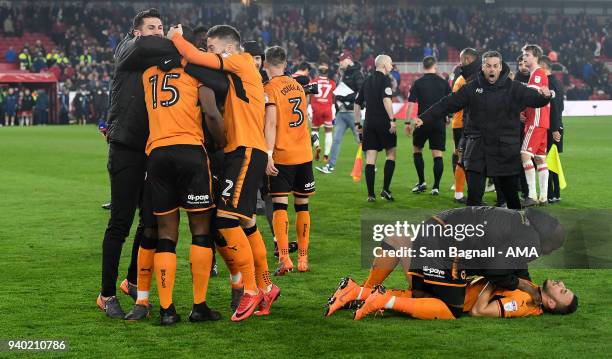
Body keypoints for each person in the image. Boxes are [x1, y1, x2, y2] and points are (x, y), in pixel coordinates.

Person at [169, 24, 280, 322]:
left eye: (213, 47)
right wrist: (186, 63)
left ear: (228, 48)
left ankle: (251, 289)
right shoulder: (241, 72)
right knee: (246, 222)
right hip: (245, 150)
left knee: (225, 219)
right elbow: (205, 71)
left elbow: (197, 58)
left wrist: (175, 38)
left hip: (244, 150)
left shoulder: (240, 61)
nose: (210, 51)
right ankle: (267, 285)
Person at [326, 206, 577, 320]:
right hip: (447, 248)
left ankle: (360, 292)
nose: (561, 283)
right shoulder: (530, 244)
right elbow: (496, 271)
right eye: (551, 248)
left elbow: (511, 262)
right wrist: (524, 286)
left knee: (401, 247)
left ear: (553, 302)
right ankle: (379, 298)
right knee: (450, 309)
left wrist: (523, 282)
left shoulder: (520, 221)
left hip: (436, 226)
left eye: (563, 290)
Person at [138, 28, 223, 326]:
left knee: (166, 235)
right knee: (200, 229)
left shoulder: (147, 74)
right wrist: (223, 144)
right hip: (190, 151)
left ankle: (166, 310)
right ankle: (199, 306)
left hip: (158, 154)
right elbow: (212, 114)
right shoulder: (194, 71)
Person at [98, 8, 169, 319]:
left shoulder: (155, 58)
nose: (157, 31)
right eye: (151, 27)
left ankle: (130, 280)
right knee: (120, 223)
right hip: (126, 147)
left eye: (161, 27)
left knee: (149, 221)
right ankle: (106, 294)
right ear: (138, 31)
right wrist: (177, 41)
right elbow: (142, 46)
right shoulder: (128, 48)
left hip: (151, 148)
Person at [415, 51, 552, 209]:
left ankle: (515, 229)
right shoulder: (472, 87)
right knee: (474, 200)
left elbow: (534, 99)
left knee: (511, 201)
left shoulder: (513, 88)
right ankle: (474, 230)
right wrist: (424, 117)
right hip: (477, 150)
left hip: (504, 152)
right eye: (488, 66)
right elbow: (448, 103)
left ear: (500, 67)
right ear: (483, 67)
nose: (492, 69)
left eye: (495, 66)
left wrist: (544, 96)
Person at [263, 46, 316, 275]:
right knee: (302, 205)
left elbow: (272, 123)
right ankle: (303, 258)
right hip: (303, 153)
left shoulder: (270, 88)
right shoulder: (298, 85)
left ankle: (285, 258)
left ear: (266, 65)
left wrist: (267, 153)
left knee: (279, 205)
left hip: (283, 155)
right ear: (285, 64)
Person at [406, 56, 451, 195]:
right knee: (437, 154)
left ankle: (422, 182)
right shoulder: (443, 82)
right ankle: (436, 187)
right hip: (438, 122)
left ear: (423, 66)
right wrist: (448, 116)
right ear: (435, 66)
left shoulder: (418, 83)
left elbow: (411, 104)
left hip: (422, 121)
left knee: (417, 150)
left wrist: (407, 122)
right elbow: (450, 101)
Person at [355, 55, 397, 202]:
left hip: (369, 123)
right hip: (383, 122)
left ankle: (370, 195)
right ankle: (385, 190)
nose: (392, 66)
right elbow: (386, 100)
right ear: (384, 65)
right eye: (391, 64)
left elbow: (357, 103)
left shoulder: (366, 80)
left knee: (370, 159)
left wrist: (357, 124)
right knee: (391, 154)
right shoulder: (386, 80)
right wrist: (392, 120)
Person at [316, 52, 363, 174]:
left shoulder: (357, 73)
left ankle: (370, 164)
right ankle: (330, 166)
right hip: (341, 113)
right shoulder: (342, 73)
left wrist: (346, 98)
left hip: (353, 112)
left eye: (342, 60)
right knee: (336, 139)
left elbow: (361, 92)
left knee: (361, 141)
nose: (339, 62)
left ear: (348, 59)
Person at [521, 44, 551, 206]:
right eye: (524, 55)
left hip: (536, 121)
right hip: (541, 122)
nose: (524, 58)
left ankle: (532, 196)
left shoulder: (538, 74)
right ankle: (544, 197)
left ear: (536, 57)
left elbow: (530, 96)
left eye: (527, 55)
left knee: (525, 155)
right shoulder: (535, 74)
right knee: (540, 159)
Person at [450, 48, 480, 203]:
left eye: (461, 59)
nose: (460, 62)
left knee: (462, 157)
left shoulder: (461, 78)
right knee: (465, 158)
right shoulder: (465, 79)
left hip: (459, 123)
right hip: (463, 123)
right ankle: (460, 194)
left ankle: (461, 192)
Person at [540, 56, 565, 203]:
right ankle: (554, 193)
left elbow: (554, 107)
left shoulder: (550, 83)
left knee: (548, 160)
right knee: (551, 160)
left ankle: (552, 194)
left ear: (543, 66)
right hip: (554, 125)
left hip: (552, 127)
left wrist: (555, 128)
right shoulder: (556, 81)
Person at [310, 63, 336, 163]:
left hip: (316, 108)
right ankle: (326, 155)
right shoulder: (332, 83)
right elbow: (334, 97)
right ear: (327, 72)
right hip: (327, 108)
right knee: (328, 132)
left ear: (318, 72)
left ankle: (317, 146)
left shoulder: (313, 82)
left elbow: (310, 95)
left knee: (314, 130)